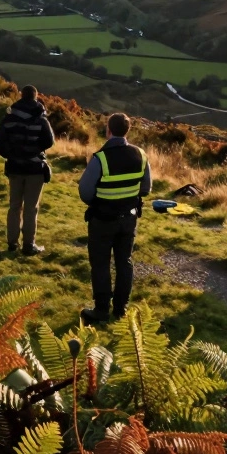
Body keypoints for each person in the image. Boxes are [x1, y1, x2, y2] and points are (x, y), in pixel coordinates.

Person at [78, 113, 151, 323]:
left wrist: (101, 200)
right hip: (129, 218)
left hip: (102, 219)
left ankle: (101, 310)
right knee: (124, 262)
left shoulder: (100, 158)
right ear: (127, 131)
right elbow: (146, 189)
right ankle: (121, 310)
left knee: (100, 263)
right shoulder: (141, 155)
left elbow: (85, 192)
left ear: (108, 130)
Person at [0, 85, 54, 255]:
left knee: (14, 206)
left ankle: (12, 243)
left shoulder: (9, 117)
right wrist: (34, 151)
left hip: (14, 167)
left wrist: (11, 154)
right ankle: (29, 245)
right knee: (31, 207)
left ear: (21, 96)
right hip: (35, 168)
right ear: (36, 97)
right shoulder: (41, 118)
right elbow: (49, 141)